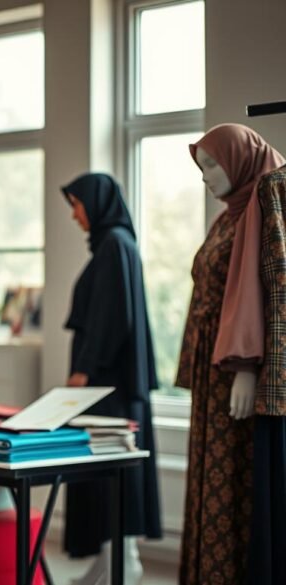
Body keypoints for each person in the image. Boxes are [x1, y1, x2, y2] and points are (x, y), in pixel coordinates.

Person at [177, 124, 285, 584]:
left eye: (212, 164)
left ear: (239, 161)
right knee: (208, 480)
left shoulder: (265, 204)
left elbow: (273, 291)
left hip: (235, 372)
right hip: (212, 370)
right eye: (201, 166)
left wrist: (247, 368)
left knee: (232, 483)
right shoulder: (227, 217)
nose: (205, 176)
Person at [60, 173, 162, 585]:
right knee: (104, 478)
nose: (74, 214)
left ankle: (122, 562)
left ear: (97, 202)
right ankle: (108, 560)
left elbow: (109, 319)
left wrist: (84, 369)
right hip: (109, 385)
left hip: (109, 388)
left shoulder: (115, 244)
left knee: (111, 474)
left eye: (77, 204)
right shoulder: (112, 245)